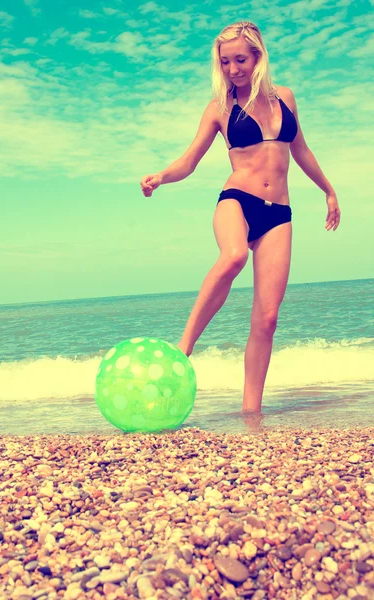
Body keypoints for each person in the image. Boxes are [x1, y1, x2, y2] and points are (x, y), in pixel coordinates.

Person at [140, 21, 341, 414]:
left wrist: (329, 191)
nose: (233, 69)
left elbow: (301, 150)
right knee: (233, 255)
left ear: (258, 56)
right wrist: (161, 176)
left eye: (240, 59)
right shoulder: (220, 108)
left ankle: (251, 413)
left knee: (267, 319)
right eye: (226, 62)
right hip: (237, 199)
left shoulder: (285, 98)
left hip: (279, 214)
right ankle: (185, 347)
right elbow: (190, 160)